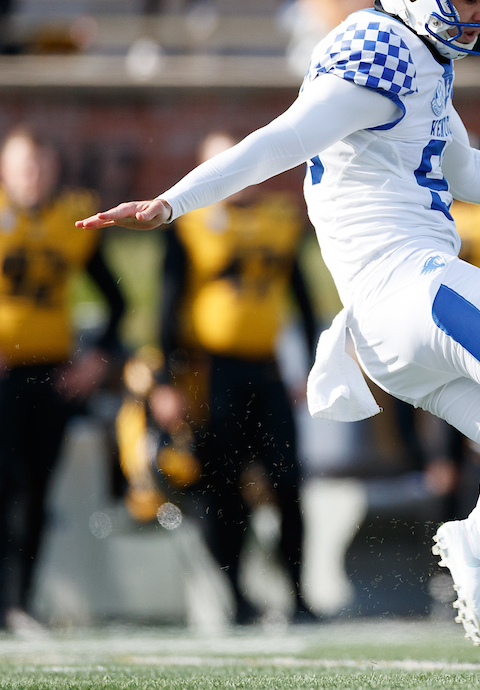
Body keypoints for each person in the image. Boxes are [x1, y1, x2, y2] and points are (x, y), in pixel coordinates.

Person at [76, 0, 480, 677]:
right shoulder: (377, 48)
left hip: (389, 330)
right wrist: (173, 200)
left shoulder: (415, 54)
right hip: (410, 288)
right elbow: (282, 139)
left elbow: (464, 168)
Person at [153, 131, 319, 624]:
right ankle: (236, 598)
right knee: (222, 487)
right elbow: (165, 308)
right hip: (210, 373)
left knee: (287, 480)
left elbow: (304, 300)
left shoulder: (278, 221)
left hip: (266, 369)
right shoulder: (188, 224)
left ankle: (298, 595)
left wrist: (310, 365)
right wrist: (164, 380)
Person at [0, 127, 125, 631]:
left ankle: (17, 603)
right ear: (3, 170)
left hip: (50, 374)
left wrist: (96, 360)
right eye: (23, 166)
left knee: (35, 490)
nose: (32, 176)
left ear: (55, 171)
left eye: (40, 166)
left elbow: (118, 300)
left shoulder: (71, 220)